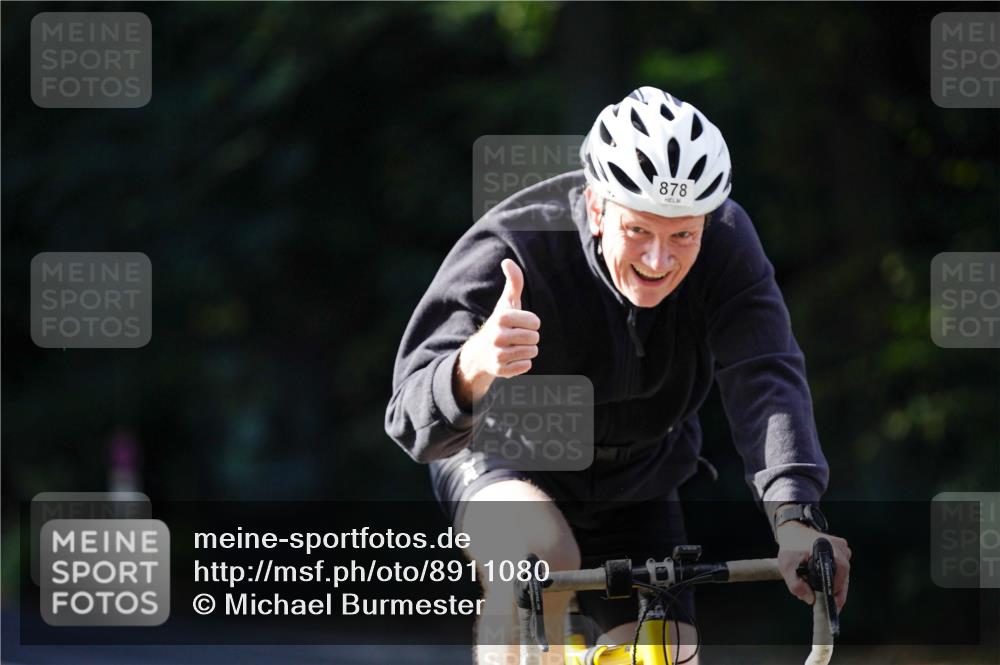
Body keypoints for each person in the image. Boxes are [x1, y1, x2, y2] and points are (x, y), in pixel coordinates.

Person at [385, 86, 851, 664]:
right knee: (538, 556)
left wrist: (795, 515)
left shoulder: (728, 245)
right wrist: (473, 364)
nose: (659, 261)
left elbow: (765, 374)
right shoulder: (518, 242)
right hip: (506, 456)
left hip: (640, 474)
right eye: (639, 231)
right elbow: (408, 418)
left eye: (683, 235)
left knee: (666, 651)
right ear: (599, 207)